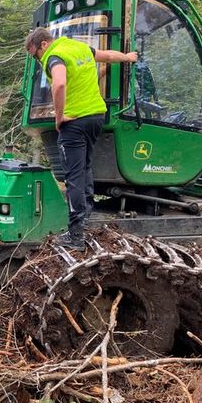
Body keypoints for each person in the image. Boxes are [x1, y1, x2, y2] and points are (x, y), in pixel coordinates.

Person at [24, 27, 137, 250]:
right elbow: (108, 56)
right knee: (84, 167)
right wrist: (128, 57)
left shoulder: (54, 56)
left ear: (43, 44)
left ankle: (75, 236)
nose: (37, 59)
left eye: (35, 54)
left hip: (74, 122)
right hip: (96, 117)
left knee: (73, 175)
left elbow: (59, 84)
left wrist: (59, 117)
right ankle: (85, 217)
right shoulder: (78, 47)